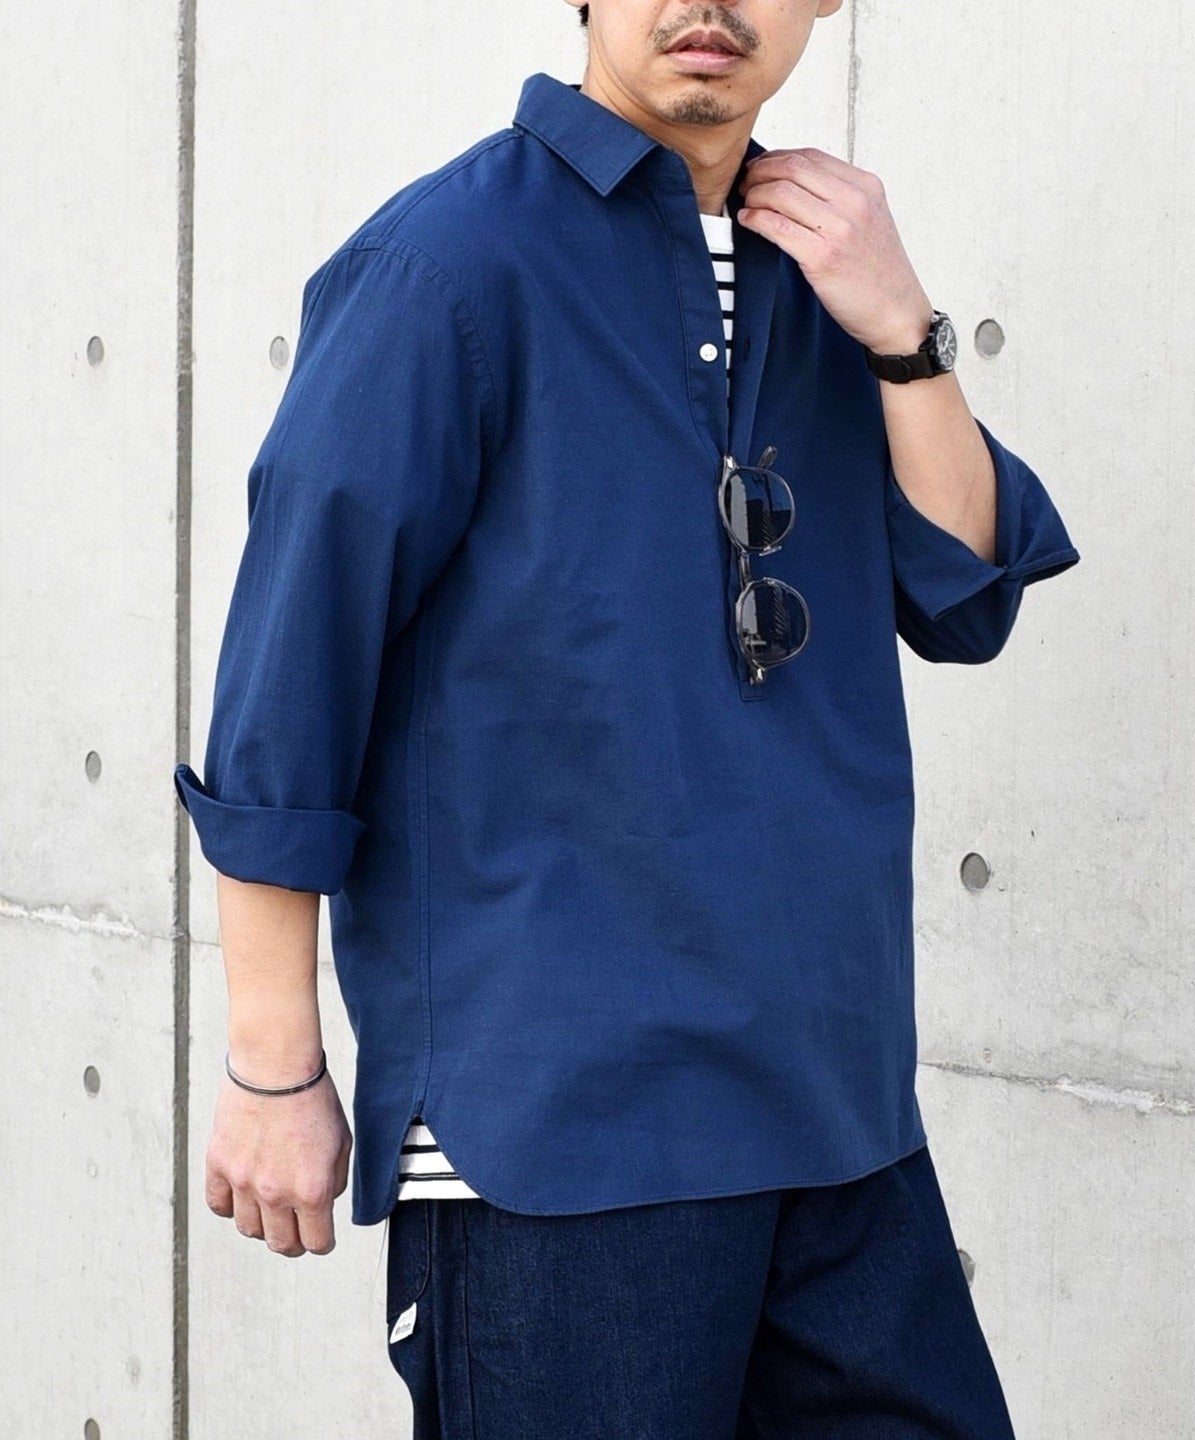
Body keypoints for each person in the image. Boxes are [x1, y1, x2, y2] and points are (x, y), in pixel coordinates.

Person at [174, 1, 1080, 1434]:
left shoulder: (824, 273)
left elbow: (966, 591)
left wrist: (907, 337)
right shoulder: (445, 268)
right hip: (560, 1139)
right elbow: (293, 680)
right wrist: (271, 1063)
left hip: (839, 1118)